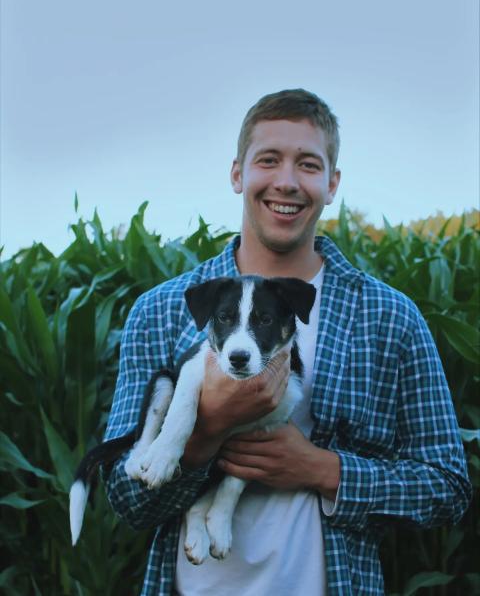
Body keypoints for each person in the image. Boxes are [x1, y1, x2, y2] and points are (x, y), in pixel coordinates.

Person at [103, 89, 472, 595]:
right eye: (268, 160)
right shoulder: (161, 312)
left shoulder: (391, 319)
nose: (287, 182)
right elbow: (127, 500)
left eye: (309, 164)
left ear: (332, 183)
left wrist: (323, 470)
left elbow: (448, 488)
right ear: (238, 173)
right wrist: (207, 432)